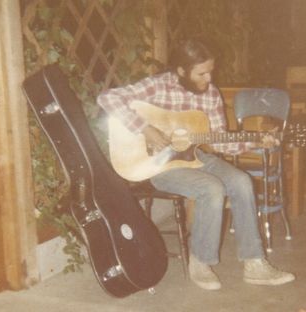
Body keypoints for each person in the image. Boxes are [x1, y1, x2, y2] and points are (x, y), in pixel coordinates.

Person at [97, 37, 295, 290]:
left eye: (210, 71)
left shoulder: (210, 94)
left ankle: (254, 262)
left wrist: (257, 142)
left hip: (197, 158)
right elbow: (107, 98)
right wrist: (145, 128)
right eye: (202, 73)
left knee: (241, 181)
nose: (209, 79)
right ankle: (200, 262)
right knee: (211, 188)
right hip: (159, 165)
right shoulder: (159, 86)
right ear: (181, 71)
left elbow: (221, 141)